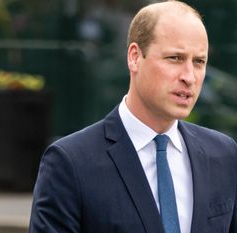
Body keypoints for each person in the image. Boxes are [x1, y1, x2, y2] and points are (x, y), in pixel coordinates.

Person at [29, 1, 237, 233]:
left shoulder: (224, 155)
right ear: (135, 57)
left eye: (199, 61)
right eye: (175, 58)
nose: (189, 76)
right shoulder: (70, 163)